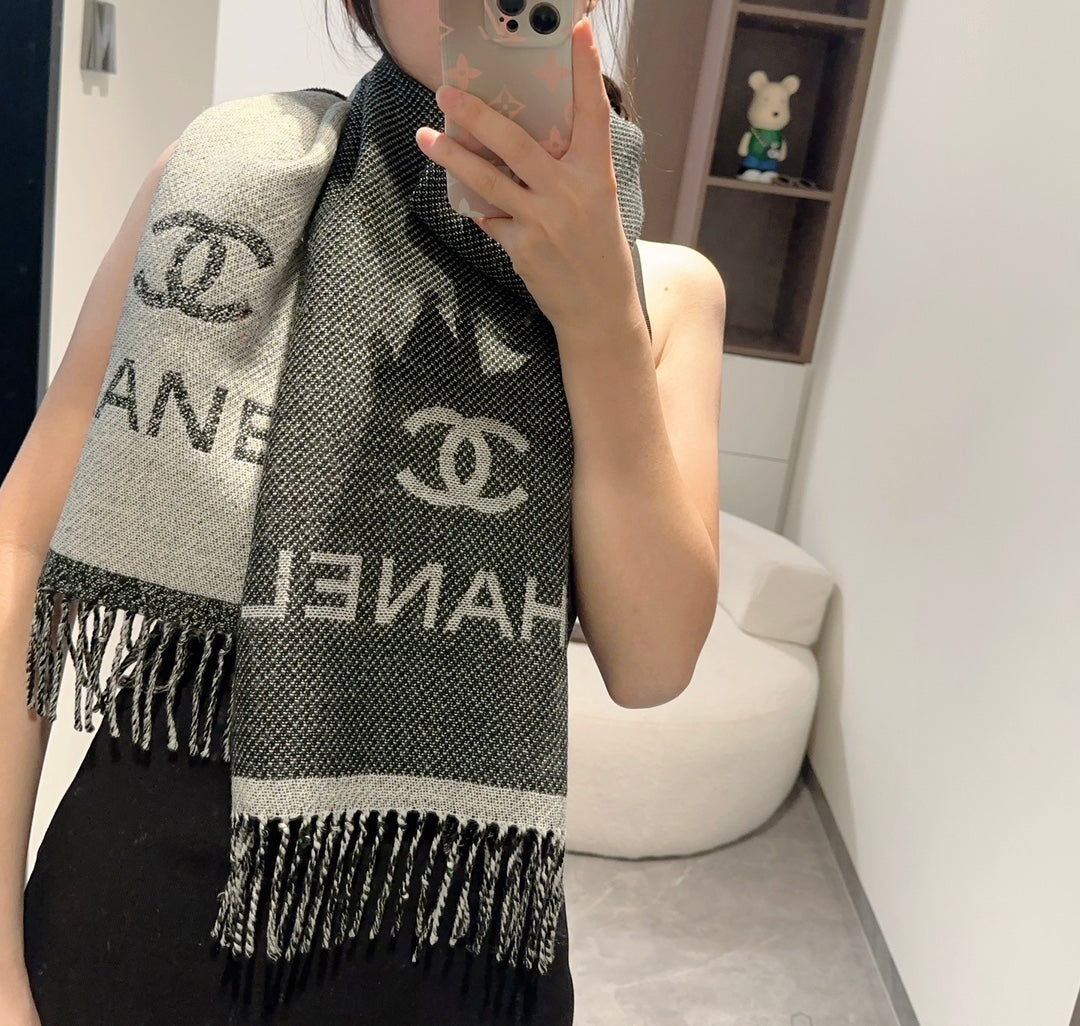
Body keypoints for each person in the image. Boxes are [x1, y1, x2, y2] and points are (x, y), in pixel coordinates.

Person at [1, 0, 725, 1022]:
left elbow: (653, 666)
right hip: (138, 922)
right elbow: (22, 543)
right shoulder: (223, 188)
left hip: (456, 950)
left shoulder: (669, 295)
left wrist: (599, 315)